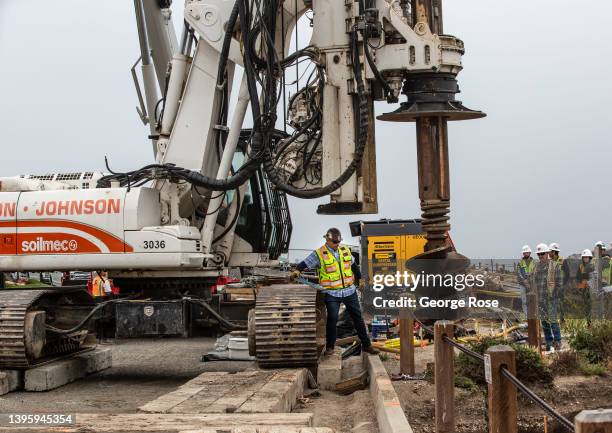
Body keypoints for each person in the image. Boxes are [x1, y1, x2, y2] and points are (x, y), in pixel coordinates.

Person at [293, 228, 379, 356]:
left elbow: (353, 265)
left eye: (338, 242)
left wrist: (360, 279)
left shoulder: (344, 250)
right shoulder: (319, 254)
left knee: (358, 318)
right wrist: (297, 271)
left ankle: (367, 345)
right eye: (334, 242)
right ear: (327, 240)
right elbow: (304, 264)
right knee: (332, 319)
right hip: (332, 293)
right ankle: (330, 347)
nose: (336, 244)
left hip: (349, 291)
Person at [531, 243, 562, 351]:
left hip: (550, 299)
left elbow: (559, 283)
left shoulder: (554, 265)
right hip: (540, 299)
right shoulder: (536, 267)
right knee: (544, 322)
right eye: (539, 254)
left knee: (553, 321)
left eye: (542, 254)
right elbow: (533, 282)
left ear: (547, 254)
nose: (540, 256)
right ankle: (549, 342)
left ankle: (557, 341)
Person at [548, 243, 570, 322]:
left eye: (549, 252)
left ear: (554, 252)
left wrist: (563, 284)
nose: (548, 253)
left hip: (561, 286)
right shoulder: (549, 262)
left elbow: (567, 274)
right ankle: (553, 319)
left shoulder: (563, 261)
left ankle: (562, 319)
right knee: (552, 302)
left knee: (560, 303)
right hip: (552, 286)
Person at [576, 249, 594, 324]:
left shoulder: (593, 266)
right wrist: (580, 286)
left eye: (587, 257)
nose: (585, 259)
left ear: (590, 258)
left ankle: (590, 322)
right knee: (586, 306)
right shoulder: (581, 266)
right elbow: (578, 277)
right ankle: (588, 322)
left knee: (591, 306)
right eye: (584, 257)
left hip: (591, 289)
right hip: (583, 289)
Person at [517, 245, 535, 316]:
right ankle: (526, 315)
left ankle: (532, 314)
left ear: (529, 253)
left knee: (532, 300)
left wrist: (530, 281)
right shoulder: (520, 262)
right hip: (522, 284)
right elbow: (519, 273)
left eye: (527, 252)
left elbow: (535, 272)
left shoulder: (534, 262)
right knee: (524, 301)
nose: (525, 254)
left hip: (531, 284)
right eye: (524, 253)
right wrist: (524, 281)